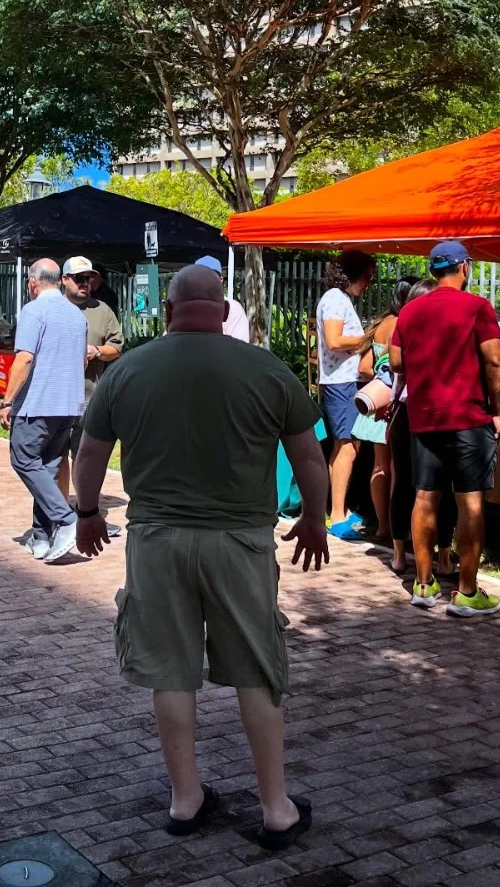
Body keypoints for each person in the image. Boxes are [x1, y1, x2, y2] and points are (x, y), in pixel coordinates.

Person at [73, 265, 329, 847]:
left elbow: (90, 452)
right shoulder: (266, 369)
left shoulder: (129, 369)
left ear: (168, 310)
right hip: (240, 543)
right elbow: (311, 460)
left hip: (158, 541)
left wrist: (88, 513)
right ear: (222, 309)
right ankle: (275, 808)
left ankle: (186, 799)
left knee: (170, 670)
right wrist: (314, 520)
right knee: (257, 671)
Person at [389, 241, 500, 617]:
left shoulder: (409, 311)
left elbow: (396, 362)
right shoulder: (477, 306)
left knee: (425, 497)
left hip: (424, 419)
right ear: (464, 268)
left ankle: (423, 584)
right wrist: (497, 407)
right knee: (469, 501)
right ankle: (468, 592)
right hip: (469, 418)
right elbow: (496, 359)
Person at [0, 258, 88, 563]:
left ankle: (66, 519)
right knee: (47, 469)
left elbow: (24, 359)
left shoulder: (33, 311)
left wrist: (8, 400)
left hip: (38, 404)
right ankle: (40, 534)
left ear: (33, 282)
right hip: (69, 405)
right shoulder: (77, 316)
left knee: (23, 459)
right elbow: (82, 361)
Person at [386, 278, 456, 576]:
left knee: (436, 487)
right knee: (411, 484)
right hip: (414, 410)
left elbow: (396, 369)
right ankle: (402, 553)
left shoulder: (408, 326)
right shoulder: (413, 328)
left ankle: (438, 556)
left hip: (414, 409)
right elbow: (395, 367)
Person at [56, 255, 125, 538]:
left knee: (85, 457)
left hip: (89, 399)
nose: (86, 284)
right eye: (80, 278)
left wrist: (96, 351)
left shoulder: (102, 310)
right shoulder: (52, 308)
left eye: (90, 278)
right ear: (64, 280)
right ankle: (60, 515)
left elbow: (117, 346)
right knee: (57, 458)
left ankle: (87, 511)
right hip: (56, 400)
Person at [315, 250, 376, 539]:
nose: (368, 283)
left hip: (346, 381)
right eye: (367, 277)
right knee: (346, 446)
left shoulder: (341, 299)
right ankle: (337, 514)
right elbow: (334, 339)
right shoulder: (335, 300)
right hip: (339, 383)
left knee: (350, 445)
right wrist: (369, 337)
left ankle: (343, 509)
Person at [351, 280, 417, 544]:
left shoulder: (380, 325)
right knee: (398, 470)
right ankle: (400, 529)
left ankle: (381, 526)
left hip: (376, 404)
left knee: (380, 467)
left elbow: (364, 367)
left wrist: (380, 378)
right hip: (395, 405)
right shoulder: (404, 325)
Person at [194, 254, 251, 342]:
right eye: (201, 276)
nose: (205, 280)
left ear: (220, 280)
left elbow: (240, 347)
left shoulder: (233, 308)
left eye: (211, 276)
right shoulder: (185, 306)